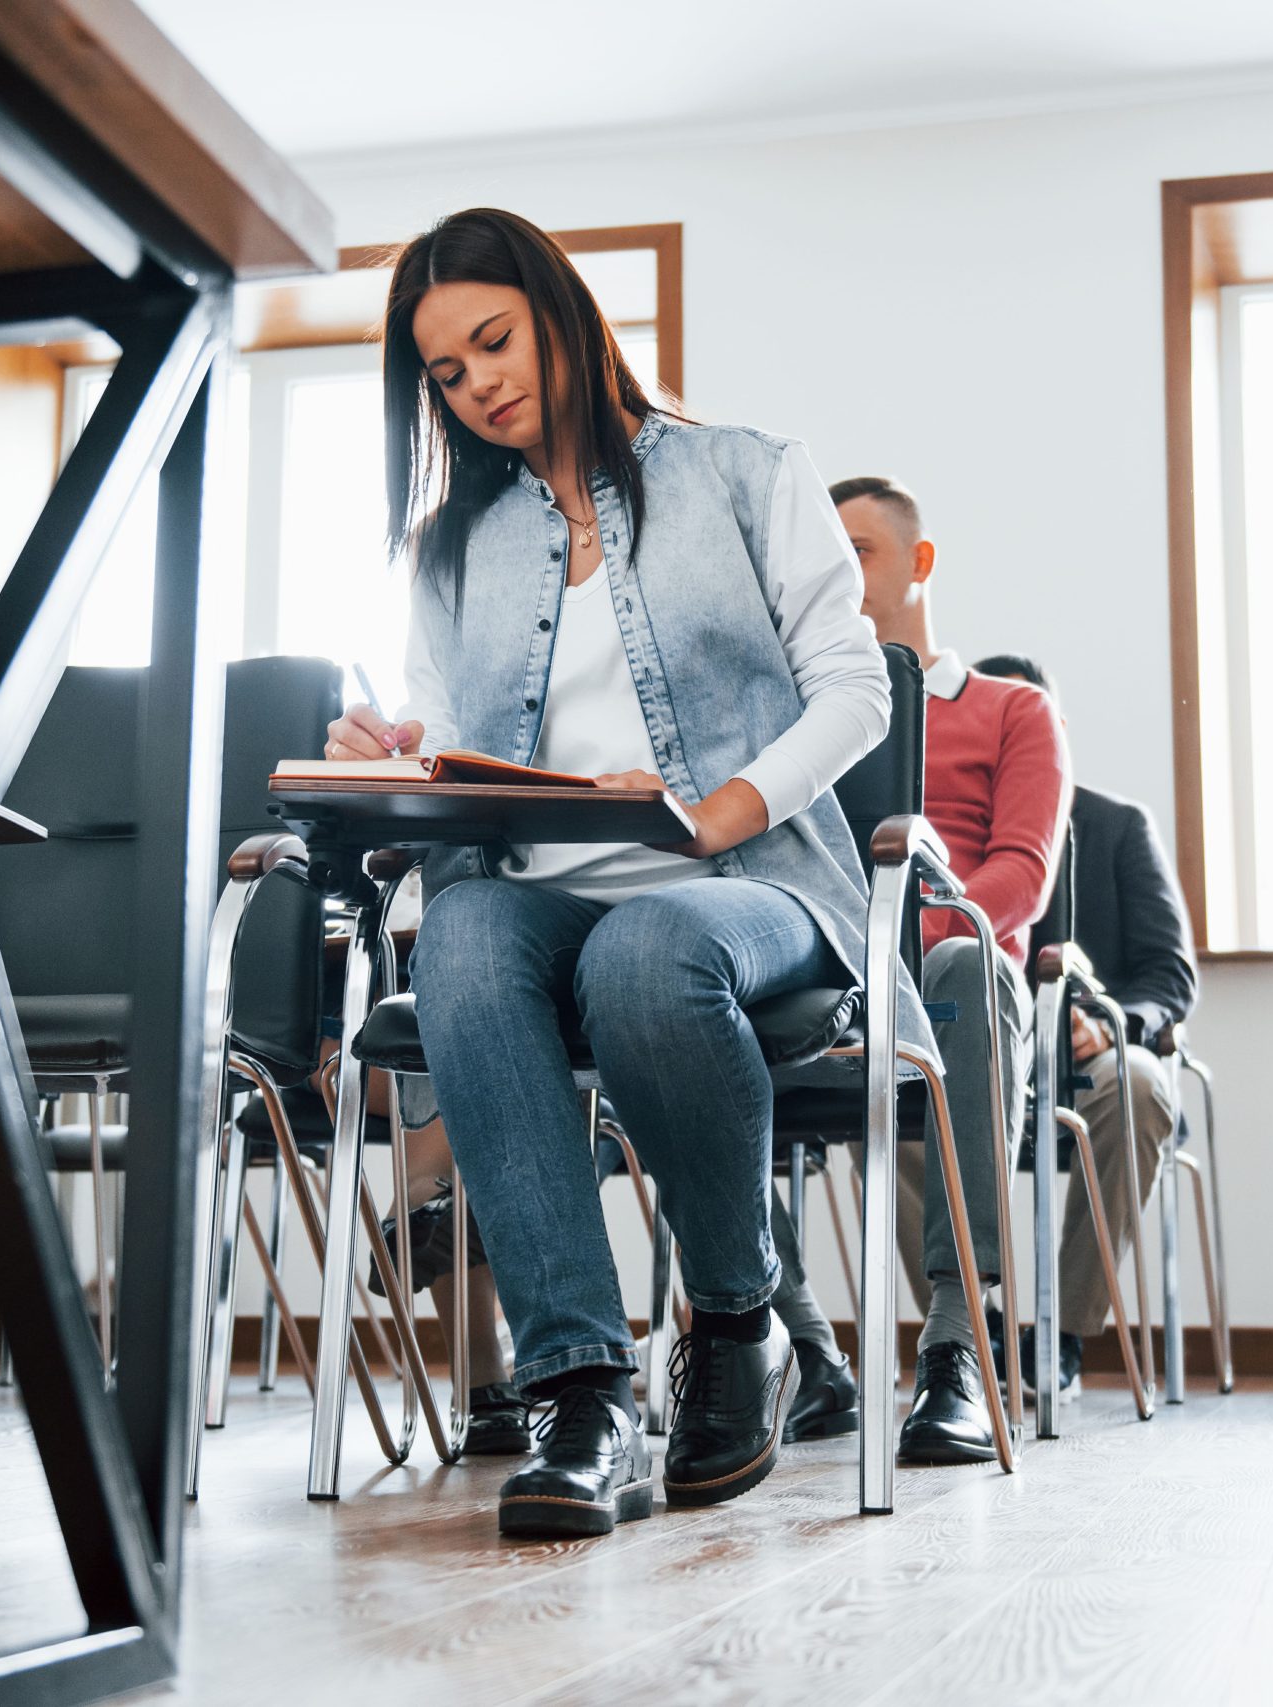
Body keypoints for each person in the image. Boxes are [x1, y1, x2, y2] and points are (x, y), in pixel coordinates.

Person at [325, 208, 900, 1538]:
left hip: (751, 884)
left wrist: (719, 813)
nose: (483, 385)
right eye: (449, 375)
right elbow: (449, 742)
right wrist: (396, 753)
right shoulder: (448, 548)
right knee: (462, 935)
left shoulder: (749, 471)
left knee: (647, 949)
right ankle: (580, 1392)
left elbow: (854, 688)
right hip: (538, 895)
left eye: (494, 340)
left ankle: (738, 1323)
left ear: (559, 312)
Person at [835, 478, 1071, 1461]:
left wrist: (906, 941)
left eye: (858, 552)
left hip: (959, 977)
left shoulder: (1014, 710)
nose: (834, 575)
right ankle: (798, 1339)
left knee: (966, 965)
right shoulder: (799, 716)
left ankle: (956, 1344)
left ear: (918, 564)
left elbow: (1017, 873)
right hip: (833, 974)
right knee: (677, 976)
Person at [971, 652, 1197, 1401]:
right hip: (983, 1049)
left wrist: (1109, 1022)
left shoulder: (1120, 827)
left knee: (1140, 1084)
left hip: (1096, 1060)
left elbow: (1171, 975)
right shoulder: (951, 832)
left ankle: (1061, 1331)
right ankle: (974, 1327)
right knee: (904, 1090)